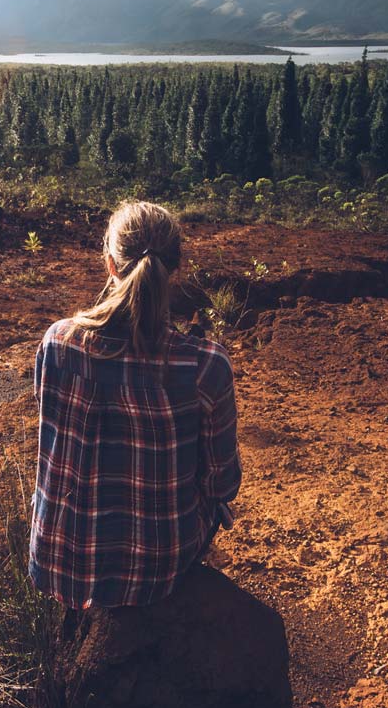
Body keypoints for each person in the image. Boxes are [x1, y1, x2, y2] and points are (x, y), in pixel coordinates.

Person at [30, 200, 241, 610]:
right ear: (174, 269)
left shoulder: (56, 341)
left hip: (58, 561)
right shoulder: (205, 364)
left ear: (110, 264)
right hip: (155, 572)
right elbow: (222, 485)